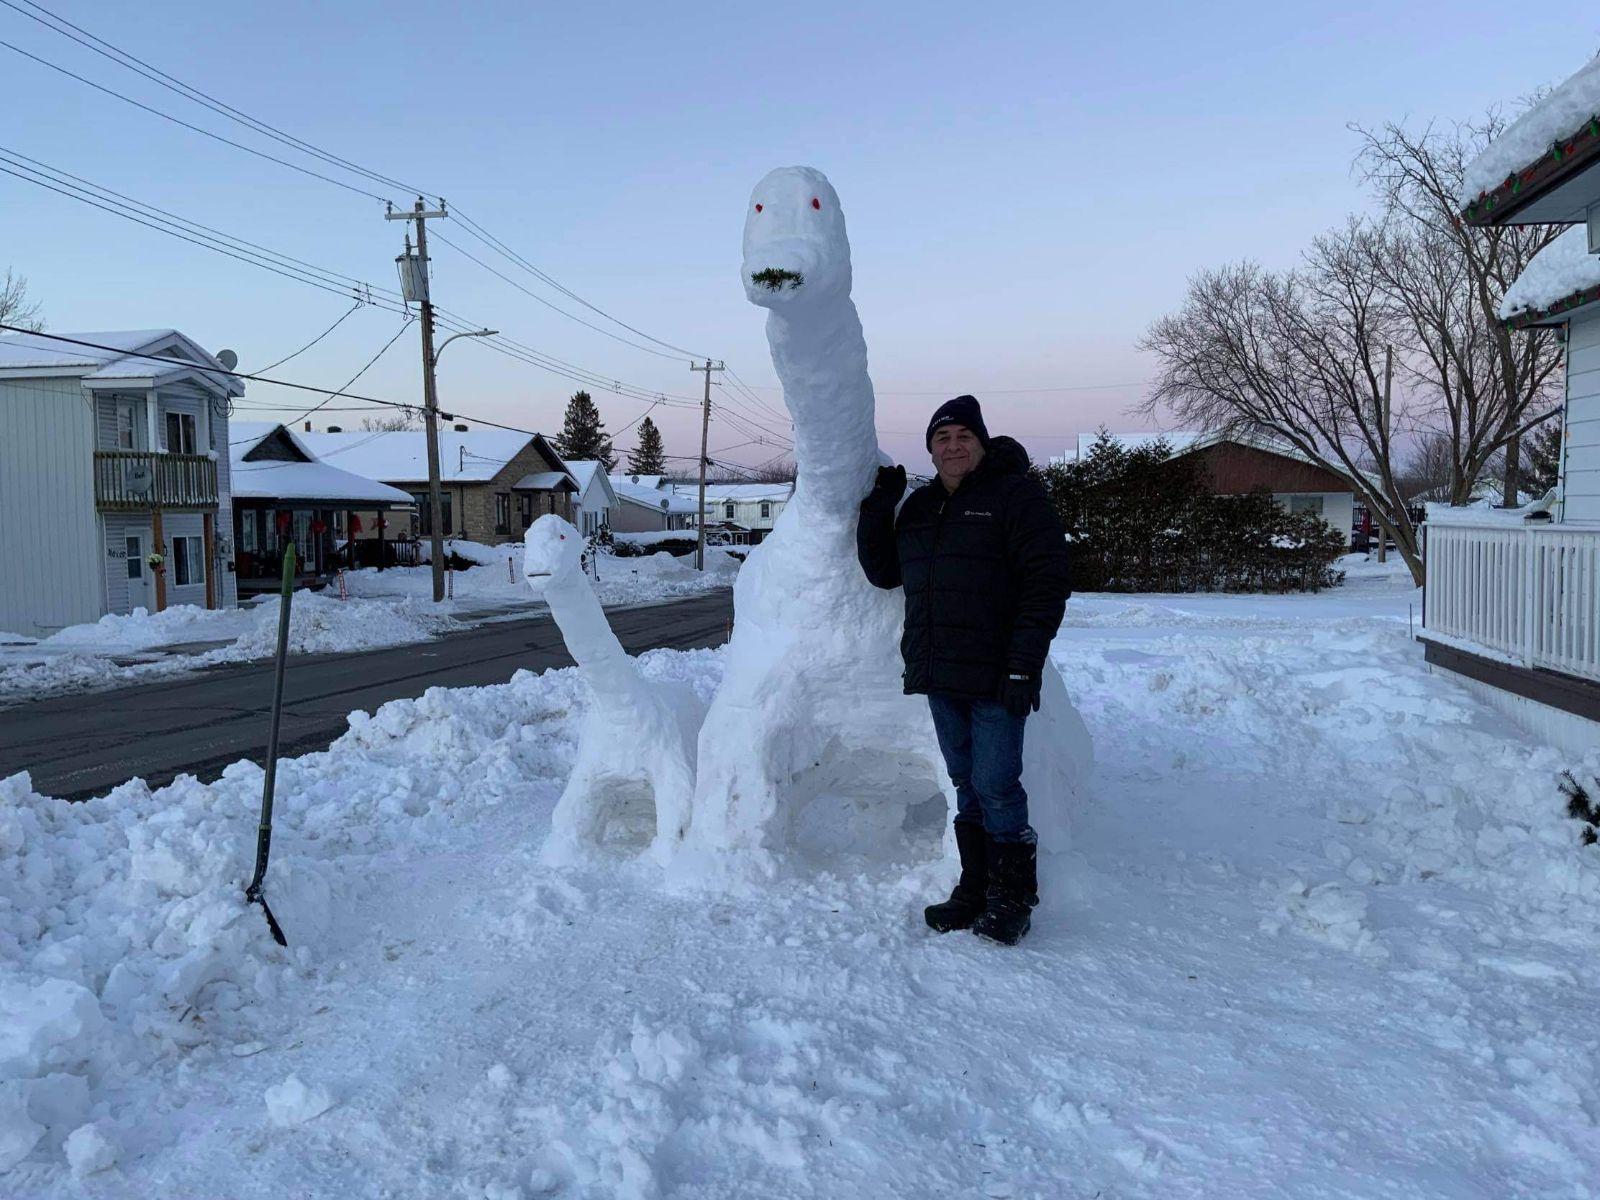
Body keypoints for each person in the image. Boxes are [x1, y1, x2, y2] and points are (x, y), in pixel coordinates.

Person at [856, 395, 1070, 944]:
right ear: (930, 450)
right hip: (940, 670)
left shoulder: (1015, 496)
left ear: (981, 443)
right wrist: (879, 508)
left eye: (963, 437)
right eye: (942, 438)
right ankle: (975, 887)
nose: (953, 446)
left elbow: (1046, 585)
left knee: (997, 785)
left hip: (998, 673)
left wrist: (1023, 667)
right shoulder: (922, 507)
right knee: (966, 783)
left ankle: (1013, 897)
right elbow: (884, 572)